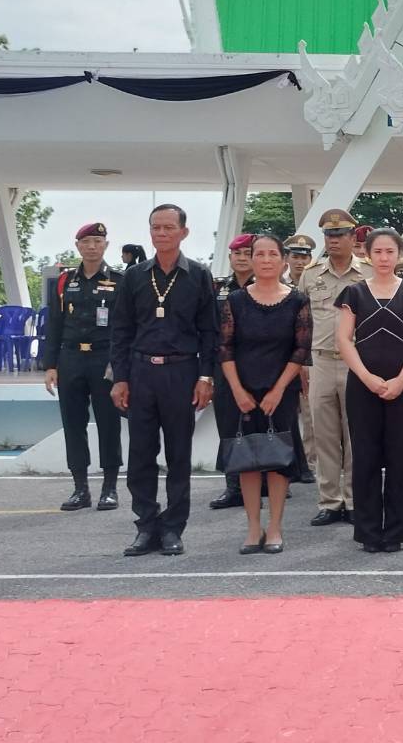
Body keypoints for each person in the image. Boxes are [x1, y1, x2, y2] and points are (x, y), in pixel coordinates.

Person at [109, 204, 219, 557]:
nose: (161, 233)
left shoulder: (198, 275)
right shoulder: (134, 276)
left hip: (182, 372)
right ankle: (146, 525)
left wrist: (206, 376)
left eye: (168, 227)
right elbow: (121, 330)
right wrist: (120, 378)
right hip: (141, 373)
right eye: (155, 227)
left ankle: (173, 527)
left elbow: (209, 332)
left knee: (178, 454)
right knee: (140, 454)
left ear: (183, 232)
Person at [336, 228, 403, 552]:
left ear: (398, 255)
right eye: (378, 252)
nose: (384, 258)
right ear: (367, 254)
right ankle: (368, 532)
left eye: (390, 252)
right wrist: (366, 377)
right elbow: (343, 339)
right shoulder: (354, 293)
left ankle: (397, 532)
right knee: (365, 458)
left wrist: (402, 379)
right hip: (362, 386)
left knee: (400, 458)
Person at [218, 234, 311, 554]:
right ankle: (253, 527)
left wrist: (278, 389)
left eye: (273, 254)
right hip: (242, 390)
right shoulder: (235, 300)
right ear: (252, 259)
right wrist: (237, 390)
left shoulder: (297, 300)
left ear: (283, 261)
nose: (266, 260)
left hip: (281, 390)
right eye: (260, 254)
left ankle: (274, 528)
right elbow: (225, 348)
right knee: (247, 460)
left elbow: (301, 349)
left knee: (277, 460)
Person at [43, 222, 124, 510]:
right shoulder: (64, 281)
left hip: (105, 359)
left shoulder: (120, 280)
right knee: (73, 423)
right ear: (77, 246)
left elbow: (126, 326)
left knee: (108, 423)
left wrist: (122, 365)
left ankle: (110, 488)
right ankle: (80, 489)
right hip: (71, 358)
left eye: (97, 242)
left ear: (106, 245)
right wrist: (50, 365)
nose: (92, 247)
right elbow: (54, 324)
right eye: (86, 242)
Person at [299, 209, 371, 527]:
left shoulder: (368, 273)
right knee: (324, 434)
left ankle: (355, 499)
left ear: (353, 237)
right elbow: (301, 323)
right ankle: (329, 501)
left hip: (359, 362)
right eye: (329, 235)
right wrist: (301, 364)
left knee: (356, 434)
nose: (333, 240)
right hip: (321, 362)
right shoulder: (310, 275)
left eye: (340, 234)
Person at [210, 235, 258, 511]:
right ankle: (233, 486)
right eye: (237, 254)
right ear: (229, 258)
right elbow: (207, 330)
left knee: (260, 424)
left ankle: (266, 480)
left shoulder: (267, 286)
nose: (241, 258)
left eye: (247, 253)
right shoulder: (217, 289)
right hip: (224, 365)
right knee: (228, 425)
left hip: (258, 364)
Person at [282, 233, 319, 483]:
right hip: (281, 357)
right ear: (287, 258)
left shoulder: (316, 284)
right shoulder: (278, 284)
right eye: (295, 256)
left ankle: (309, 462)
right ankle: (285, 462)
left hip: (308, 355)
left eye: (305, 257)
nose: (300, 261)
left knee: (309, 412)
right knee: (284, 413)